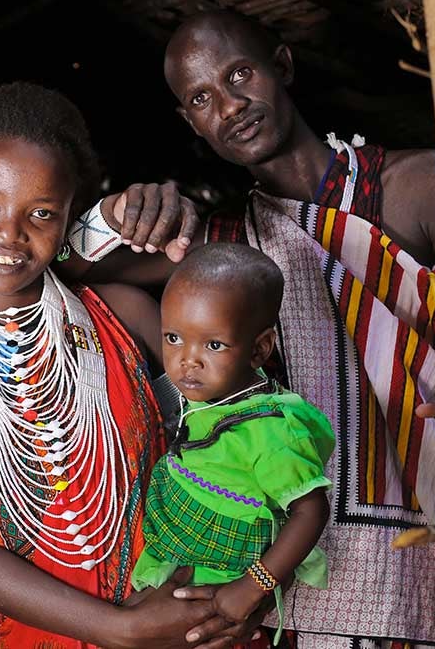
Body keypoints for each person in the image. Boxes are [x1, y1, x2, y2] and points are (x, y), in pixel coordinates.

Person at [57, 11, 435, 648]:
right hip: (295, 588)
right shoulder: (221, 249)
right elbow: (57, 263)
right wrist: (116, 213)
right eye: (202, 98)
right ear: (190, 122)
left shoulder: (413, 188)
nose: (231, 105)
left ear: (283, 66)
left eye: (239, 74)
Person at [0, 82, 250, 649]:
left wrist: (220, 593)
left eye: (41, 213)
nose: (8, 233)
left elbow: (225, 455)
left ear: (67, 222)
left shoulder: (127, 316)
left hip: (181, 615)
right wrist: (119, 628)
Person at [130, 244, 334, 649]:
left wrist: (251, 588)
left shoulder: (271, 432)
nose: (188, 360)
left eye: (214, 345)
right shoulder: (209, 392)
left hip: (220, 580)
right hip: (184, 554)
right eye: (173, 337)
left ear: (259, 349)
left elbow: (311, 511)